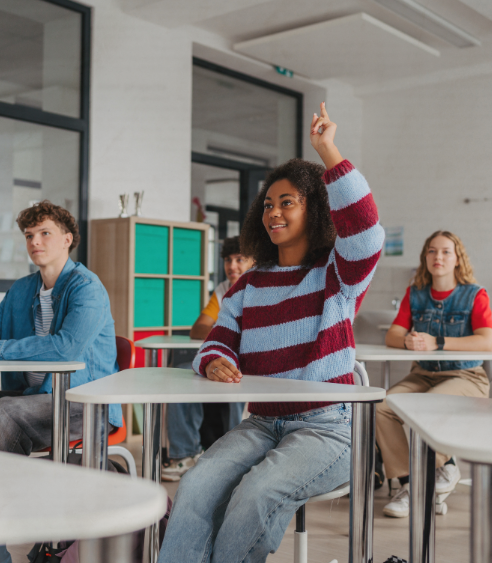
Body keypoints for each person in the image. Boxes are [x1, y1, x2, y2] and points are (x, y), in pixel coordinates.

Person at [158, 102, 384, 563]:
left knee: (256, 494)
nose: (274, 213)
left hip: (328, 427)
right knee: (195, 483)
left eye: (288, 203)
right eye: (268, 204)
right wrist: (215, 360)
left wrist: (328, 150)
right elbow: (218, 338)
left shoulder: (335, 275)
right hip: (261, 423)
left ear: (314, 209)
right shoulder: (249, 283)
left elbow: (366, 231)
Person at [0, 201, 120, 563]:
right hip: (34, 397)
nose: (35, 241)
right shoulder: (22, 290)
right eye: (30, 235)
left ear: (67, 239)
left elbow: (65, 349)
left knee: (2, 413)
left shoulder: (87, 289)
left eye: (45, 233)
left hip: (84, 404)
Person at [377, 230, 492, 518]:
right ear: (425, 257)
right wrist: (406, 340)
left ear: (457, 259)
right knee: (381, 407)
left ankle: (430, 477)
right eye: (431, 251)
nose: (437, 256)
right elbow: (393, 333)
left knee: (428, 403)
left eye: (445, 251)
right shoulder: (415, 293)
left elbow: (485, 341)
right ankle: (414, 482)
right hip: (424, 375)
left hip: (467, 377)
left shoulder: (474, 294)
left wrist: (438, 342)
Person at [162, 236, 254, 481]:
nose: (232, 266)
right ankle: (185, 453)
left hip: (251, 362)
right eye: (227, 260)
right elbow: (198, 328)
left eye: (240, 259)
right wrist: (224, 333)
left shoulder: (260, 286)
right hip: (225, 356)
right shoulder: (223, 289)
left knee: (232, 379)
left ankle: (233, 458)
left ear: (253, 261)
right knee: (182, 375)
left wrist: (226, 334)